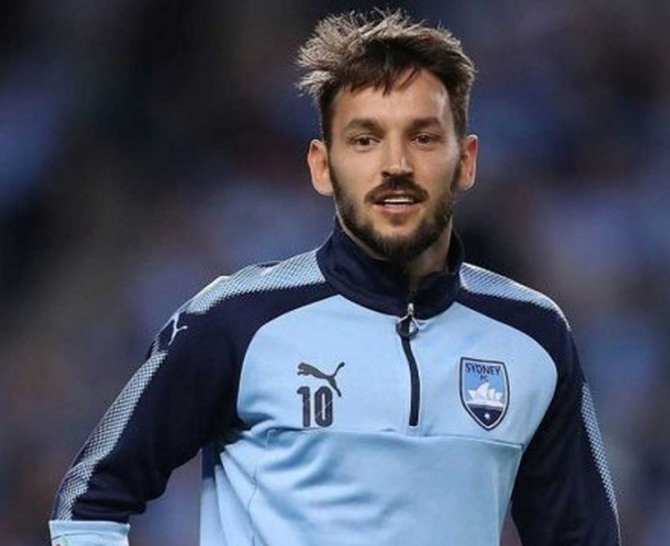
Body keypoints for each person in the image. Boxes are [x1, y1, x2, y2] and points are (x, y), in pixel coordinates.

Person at [49, 9, 621, 546]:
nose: (396, 165)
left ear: (466, 161)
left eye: (423, 137)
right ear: (323, 166)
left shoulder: (533, 335)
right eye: (365, 139)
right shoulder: (236, 320)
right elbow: (90, 503)